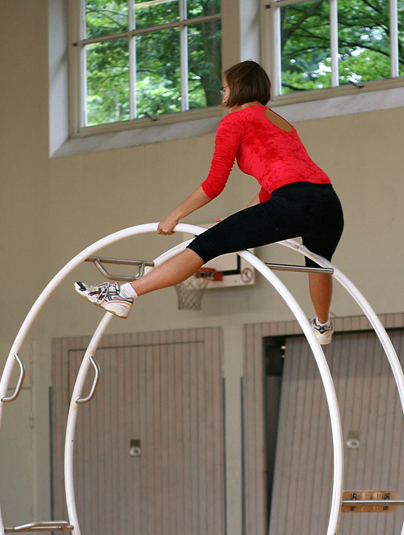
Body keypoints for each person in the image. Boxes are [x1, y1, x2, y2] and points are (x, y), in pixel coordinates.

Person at [75, 60, 344, 345]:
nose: (222, 94)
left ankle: (124, 294)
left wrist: (173, 216)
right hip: (328, 203)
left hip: (294, 202)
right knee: (318, 263)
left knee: (204, 247)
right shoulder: (280, 122)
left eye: (225, 88)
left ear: (238, 88)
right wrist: (239, 219)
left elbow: (214, 185)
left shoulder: (235, 121)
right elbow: (275, 186)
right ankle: (323, 326)